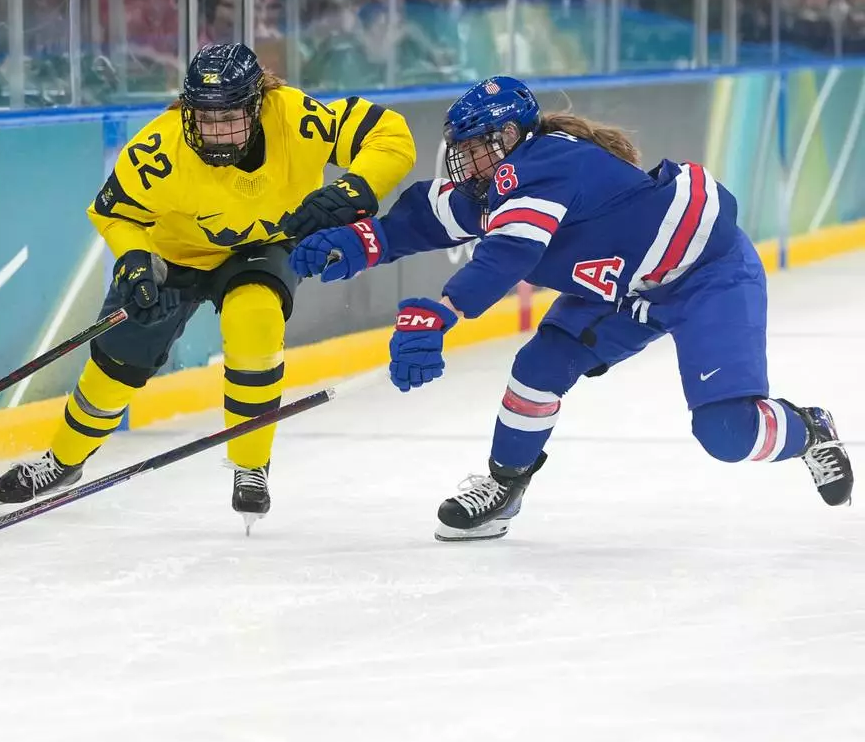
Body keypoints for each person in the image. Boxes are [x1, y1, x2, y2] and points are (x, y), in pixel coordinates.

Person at [289, 75, 854, 541]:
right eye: (463, 152)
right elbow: (422, 220)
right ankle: (504, 485)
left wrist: (443, 312)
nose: (470, 165)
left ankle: (809, 429)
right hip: (624, 292)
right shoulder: (495, 187)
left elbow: (509, 253)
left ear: (513, 137)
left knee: (727, 432)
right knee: (537, 370)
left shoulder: (545, 164)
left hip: (706, 277)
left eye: (481, 148)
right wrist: (357, 243)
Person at [0, 43, 417, 532]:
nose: (214, 131)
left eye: (230, 116)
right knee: (116, 364)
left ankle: (250, 463)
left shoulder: (296, 117)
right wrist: (133, 263)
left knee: (254, 319)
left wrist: (354, 189)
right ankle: (64, 461)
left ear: (258, 105)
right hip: (177, 256)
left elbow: (391, 134)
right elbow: (115, 213)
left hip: (262, 248)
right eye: (204, 117)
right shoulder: (161, 149)